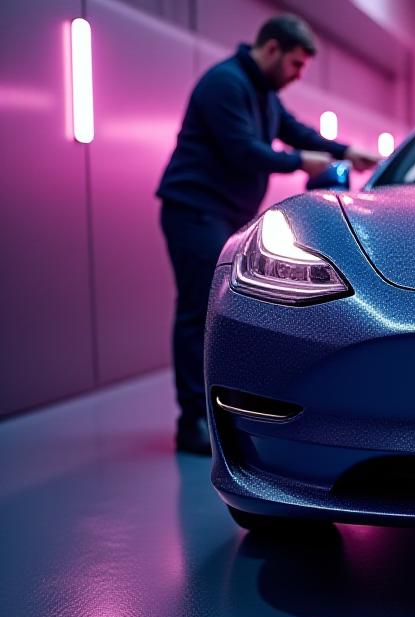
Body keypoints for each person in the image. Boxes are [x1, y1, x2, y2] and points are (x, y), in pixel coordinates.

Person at [156, 14, 380, 454]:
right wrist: (300, 162)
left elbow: (294, 131)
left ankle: (215, 413)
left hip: (222, 214)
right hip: (195, 210)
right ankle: (193, 421)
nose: (298, 75)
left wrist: (344, 151)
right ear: (272, 48)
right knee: (199, 314)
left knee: (212, 312)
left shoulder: (262, 92)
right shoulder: (225, 84)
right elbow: (243, 151)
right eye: (296, 64)